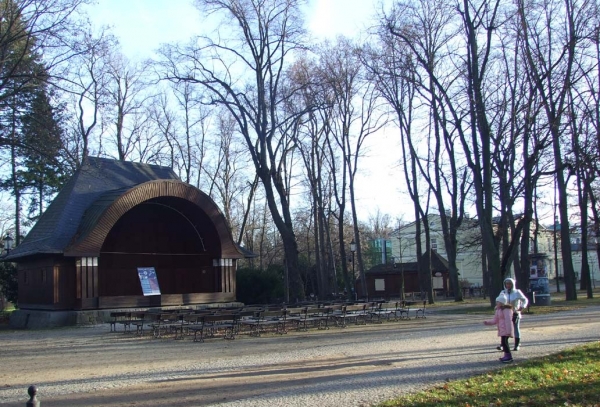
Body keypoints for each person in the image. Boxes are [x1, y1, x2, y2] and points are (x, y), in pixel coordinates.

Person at [495, 277, 529, 351]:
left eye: (510, 284)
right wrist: (498, 307)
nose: (508, 285)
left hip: (515, 313)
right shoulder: (503, 292)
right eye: (507, 284)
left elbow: (525, 300)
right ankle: (503, 345)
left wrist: (522, 307)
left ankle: (517, 344)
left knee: (516, 328)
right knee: (504, 329)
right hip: (505, 314)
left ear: (513, 284)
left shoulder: (517, 292)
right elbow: (499, 301)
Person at [484, 293, 514, 363]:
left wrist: (509, 331)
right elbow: (495, 320)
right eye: (496, 301)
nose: (496, 303)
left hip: (506, 329)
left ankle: (509, 357)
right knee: (503, 343)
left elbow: (508, 321)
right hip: (502, 329)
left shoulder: (507, 310)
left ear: (502, 302)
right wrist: (488, 322)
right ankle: (506, 355)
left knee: (504, 342)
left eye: (498, 302)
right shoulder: (498, 310)